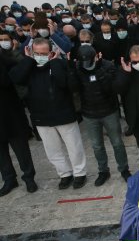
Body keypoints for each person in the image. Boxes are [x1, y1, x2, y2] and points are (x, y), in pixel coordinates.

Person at [10, 38, 87, 189]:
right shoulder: (28, 67)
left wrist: (55, 62)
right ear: (31, 52)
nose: (40, 56)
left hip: (64, 115)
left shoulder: (60, 64)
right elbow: (16, 78)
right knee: (52, 151)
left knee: (74, 147)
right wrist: (27, 60)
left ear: (51, 52)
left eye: (43, 53)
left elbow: (64, 83)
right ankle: (64, 174)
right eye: (37, 53)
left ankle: (80, 173)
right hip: (41, 117)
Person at [68, 45, 131, 185]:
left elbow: (112, 89)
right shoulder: (78, 68)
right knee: (97, 145)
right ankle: (103, 171)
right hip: (89, 113)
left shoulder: (107, 65)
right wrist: (71, 70)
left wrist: (99, 70)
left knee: (117, 143)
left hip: (109, 111)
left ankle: (124, 169)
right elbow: (74, 89)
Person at [0, 47, 37, 195]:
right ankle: (9, 179)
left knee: (21, 148)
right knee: (1, 153)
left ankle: (29, 177)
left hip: (10, 113)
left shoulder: (5, 60)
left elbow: (6, 80)